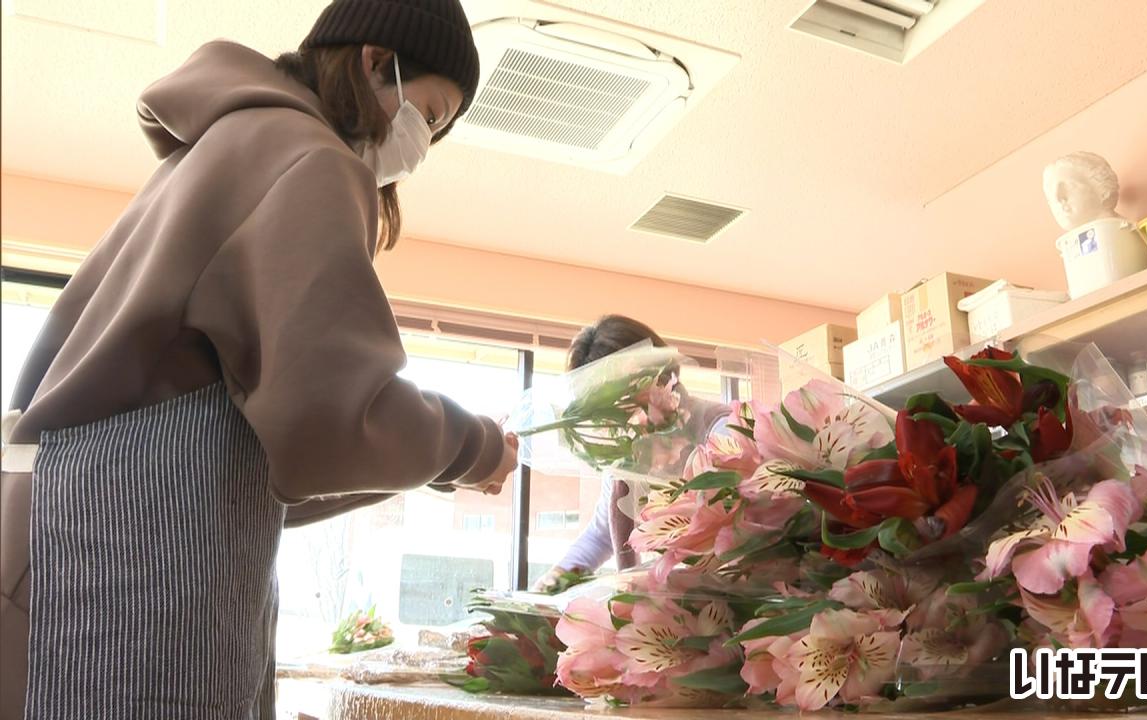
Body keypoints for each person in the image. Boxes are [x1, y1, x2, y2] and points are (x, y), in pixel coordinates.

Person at [0, 1, 518, 716]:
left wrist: (433, 465)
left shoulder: (229, 147)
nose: (422, 145)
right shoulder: (309, 159)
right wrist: (473, 446)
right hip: (133, 560)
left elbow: (278, 457)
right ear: (375, 61)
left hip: (84, 527)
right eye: (429, 114)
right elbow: (331, 420)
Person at [532, 315, 730, 593]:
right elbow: (600, 535)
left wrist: (649, 583)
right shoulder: (627, 460)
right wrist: (553, 583)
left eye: (615, 400)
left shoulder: (721, 430)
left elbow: (734, 541)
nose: (611, 421)